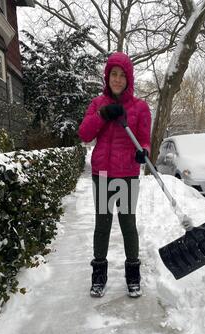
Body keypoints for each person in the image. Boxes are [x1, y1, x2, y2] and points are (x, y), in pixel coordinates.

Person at [78, 52, 151, 298]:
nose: (117, 79)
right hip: (103, 174)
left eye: (122, 75)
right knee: (103, 224)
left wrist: (144, 153)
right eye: (113, 74)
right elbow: (85, 134)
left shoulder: (140, 107)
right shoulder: (98, 103)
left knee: (128, 224)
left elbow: (144, 140)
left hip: (128, 175)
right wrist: (102, 115)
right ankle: (99, 275)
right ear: (107, 76)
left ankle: (133, 275)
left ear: (129, 79)